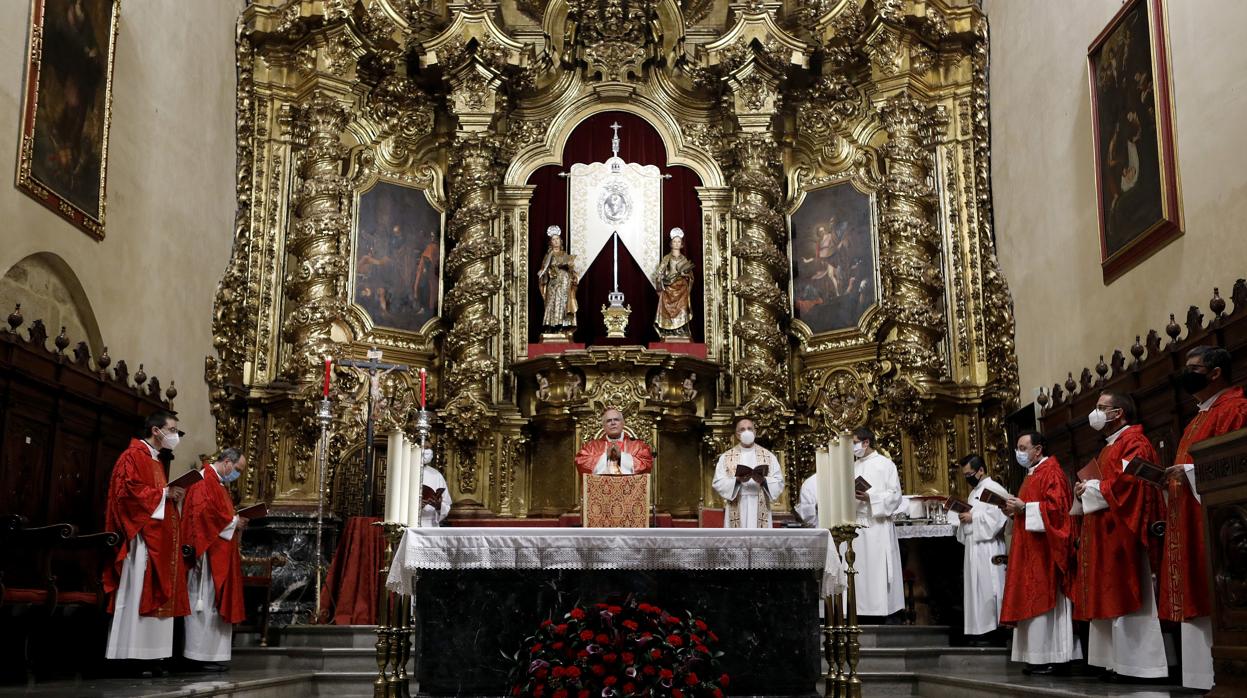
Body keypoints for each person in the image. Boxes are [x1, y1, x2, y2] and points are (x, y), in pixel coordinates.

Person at [1161, 345, 1247, 691]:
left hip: (1218, 521)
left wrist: (1189, 473)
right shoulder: (1200, 415)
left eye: (1193, 368)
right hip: (1190, 515)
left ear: (1215, 373)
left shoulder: (1235, 409)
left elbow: (1234, 462)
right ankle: (1200, 676)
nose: (1187, 374)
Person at [1071, 392, 1167, 681]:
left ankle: (1138, 666)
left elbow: (1132, 484)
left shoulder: (1134, 442)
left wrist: (1091, 488)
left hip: (1124, 532)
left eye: (1102, 408)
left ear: (1119, 413)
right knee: (1107, 595)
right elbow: (1104, 482)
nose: (1096, 413)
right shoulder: (1109, 446)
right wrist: (1083, 488)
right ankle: (1113, 662)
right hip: (1104, 531)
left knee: (1127, 594)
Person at [103, 412, 190, 667]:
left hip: (158, 538)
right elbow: (127, 494)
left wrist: (169, 494)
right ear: (155, 430)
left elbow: (153, 493)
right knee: (138, 592)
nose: (175, 435)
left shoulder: (155, 460)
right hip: (141, 540)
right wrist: (165, 493)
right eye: (172, 429)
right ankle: (130, 654)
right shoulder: (132, 456)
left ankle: (151, 655)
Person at [999, 431, 1079, 675]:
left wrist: (1025, 508)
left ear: (1039, 449)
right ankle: (1036, 656)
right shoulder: (1033, 475)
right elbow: (1029, 510)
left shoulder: (1052, 472)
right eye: (1018, 448)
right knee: (1030, 599)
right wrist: (1014, 511)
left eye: (1023, 448)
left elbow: (1058, 512)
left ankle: (1054, 656)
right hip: (1028, 550)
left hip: (1046, 552)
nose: (1019, 453)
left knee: (1045, 602)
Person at [181, 448, 248, 670]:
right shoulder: (203, 480)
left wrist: (234, 521)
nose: (237, 475)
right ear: (227, 462)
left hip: (220, 551)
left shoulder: (218, 484)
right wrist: (233, 522)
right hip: (207, 555)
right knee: (204, 603)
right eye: (237, 469)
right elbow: (203, 516)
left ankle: (211, 655)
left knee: (213, 605)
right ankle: (197, 656)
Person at [953, 454, 1011, 640]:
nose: (967, 478)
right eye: (965, 475)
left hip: (989, 547)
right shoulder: (974, 491)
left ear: (981, 471)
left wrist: (972, 518)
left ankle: (995, 631)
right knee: (976, 590)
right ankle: (978, 630)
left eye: (970, 473)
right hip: (974, 547)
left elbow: (999, 519)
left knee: (990, 588)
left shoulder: (994, 489)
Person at [849, 428, 903, 620]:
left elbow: (895, 496)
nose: (852, 447)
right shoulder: (851, 466)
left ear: (866, 443)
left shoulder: (885, 465)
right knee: (858, 571)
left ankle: (882, 612)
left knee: (877, 571)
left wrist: (871, 498)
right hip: (856, 524)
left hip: (877, 524)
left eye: (854, 442)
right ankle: (860, 612)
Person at [711, 417, 783, 528]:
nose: (746, 431)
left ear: (755, 432)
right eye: (742, 429)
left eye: (749, 428)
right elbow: (718, 482)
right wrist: (737, 481)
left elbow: (779, 482)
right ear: (736, 434)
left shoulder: (768, 456)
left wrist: (763, 481)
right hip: (737, 503)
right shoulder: (726, 457)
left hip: (761, 503)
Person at [574, 407, 653, 475]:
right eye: (608, 421)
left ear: (623, 423)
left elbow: (647, 464)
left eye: (616, 420)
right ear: (603, 426)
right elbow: (581, 462)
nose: (613, 423)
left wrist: (622, 456)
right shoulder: (591, 446)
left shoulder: (638, 446)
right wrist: (605, 456)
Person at [654, 227, 695, 339]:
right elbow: (659, 273)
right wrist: (663, 280)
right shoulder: (666, 258)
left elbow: (691, 276)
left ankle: (680, 329)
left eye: (679, 242)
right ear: (671, 243)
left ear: (681, 244)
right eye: (674, 241)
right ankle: (668, 331)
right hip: (669, 288)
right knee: (667, 308)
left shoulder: (684, 259)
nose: (676, 244)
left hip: (682, 289)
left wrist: (686, 275)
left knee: (682, 309)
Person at [537, 225, 578, 333]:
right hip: (553, 282)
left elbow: (571, 270)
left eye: (557, 239)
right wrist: (544, 273)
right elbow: (544, 269)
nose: (555, 241)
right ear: (550, 242)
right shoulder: (548, 256)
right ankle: (550, 325)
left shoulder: (564, 254)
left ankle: (563, 325)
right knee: (551, 302)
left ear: (561, 241)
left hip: (564, 281)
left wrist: (570, 267)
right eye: (553, 240)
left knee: (563, 302)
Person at [418, 448, 452, 527]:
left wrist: (439, 506)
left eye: (429, 448)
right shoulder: (405, 470)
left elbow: (446, 504)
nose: (428, 451)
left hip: (430, 524)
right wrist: (414, 505)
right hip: (409, 522)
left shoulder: (436, 475)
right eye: (425, 447)